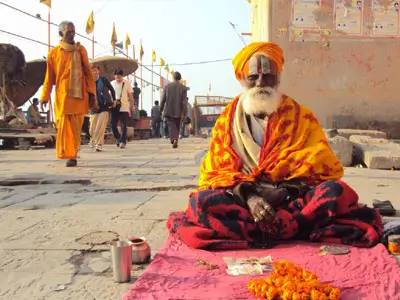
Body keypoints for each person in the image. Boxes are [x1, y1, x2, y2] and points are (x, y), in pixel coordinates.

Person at [167, 42, 382, 250]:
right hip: (244, 201)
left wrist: (286, 190)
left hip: (291, 201)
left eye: (268, 75)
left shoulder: (301, 117)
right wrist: (250, 197)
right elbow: (216, 174)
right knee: (201, 203)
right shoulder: (226, 120)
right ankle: (286, 229)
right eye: (253, 77)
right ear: (242, 79)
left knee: (335, 192)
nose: (261, 82)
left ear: (278, 78)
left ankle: (257, 231)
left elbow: (322, 168)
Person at [40, 21, 96, 167]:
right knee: (64, 127)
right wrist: (44, 96)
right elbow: (49, 77)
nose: (72, 34)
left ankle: (73, 155)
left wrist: (92, 93)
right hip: (62, 97)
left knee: (76, 129)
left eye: (73, 31)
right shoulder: (53, 54)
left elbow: (88, 73)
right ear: (60, 34)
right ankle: (69, 153)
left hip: (79, 97)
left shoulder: (80, 50)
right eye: (68, 32)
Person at [89, 66, 116, 152]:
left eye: (96, 71)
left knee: (100, 127)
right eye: (92, 71)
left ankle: (99, 144)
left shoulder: (104, 80)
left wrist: (114, 99)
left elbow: (112, 90)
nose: (94, 73)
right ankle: (93, 139)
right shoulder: (88, 82)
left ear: (98, 71)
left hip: (104, 106)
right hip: (93, 106)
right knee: (92, 128)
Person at [160, 71, 187, 148]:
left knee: (172, 126)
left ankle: (174, 138)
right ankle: (175, 139)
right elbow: (184, 102)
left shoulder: (167, 86)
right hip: (179, 110)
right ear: (180, 78)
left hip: (169, 110)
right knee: (177, 125)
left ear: (173, 77)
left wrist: (161, 109)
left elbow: (163, 99)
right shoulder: (183, 88)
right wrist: (185, 113)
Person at [111, 68, 135, 149]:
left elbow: (131, 96)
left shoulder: (126, 83)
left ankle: (122, 141)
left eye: (119, 77)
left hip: (124, 107)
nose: (118, 78)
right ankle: (119, 138)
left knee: (124, 126)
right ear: (114, 76)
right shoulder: (112, 83)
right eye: (116, 77)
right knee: (113, 126)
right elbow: (109, 95)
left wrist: (133, 106)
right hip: (114, 108)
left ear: (122, 76)